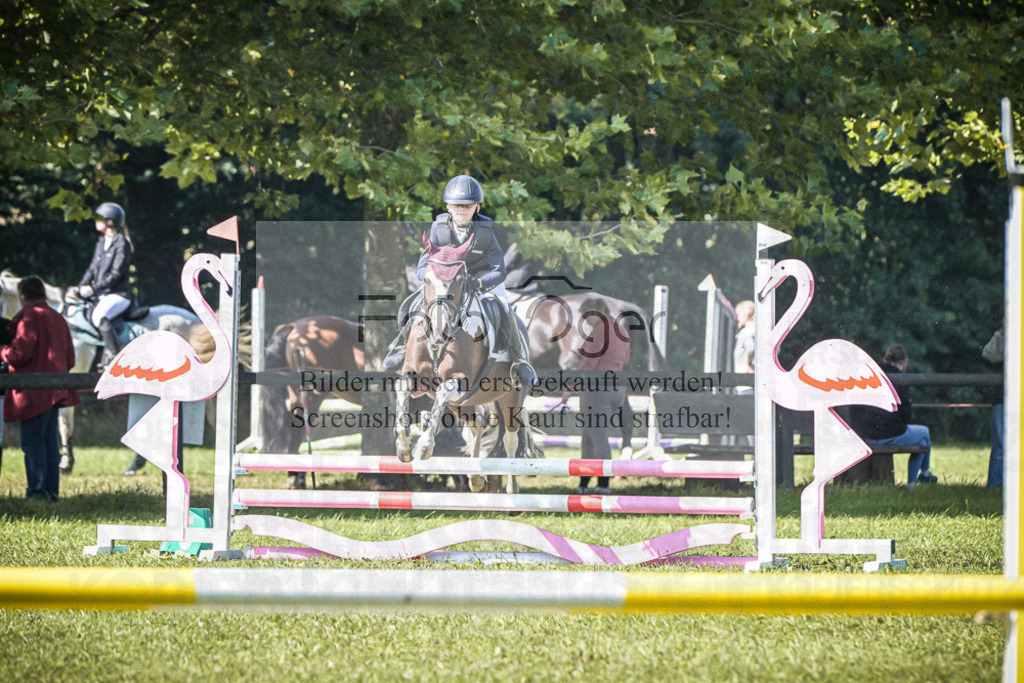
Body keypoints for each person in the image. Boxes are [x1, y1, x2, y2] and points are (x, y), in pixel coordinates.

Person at [382, 174, 537, 388]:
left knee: (504, 307)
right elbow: (422, 266)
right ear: (448, 207)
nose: (462, 210)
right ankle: (400, 347)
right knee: (413, 303)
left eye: (467, 206)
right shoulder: (439, 228)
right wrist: (433, 279)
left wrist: (479, 283)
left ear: (477, 208)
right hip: (446, 282)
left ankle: (519, 361)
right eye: (457, 206)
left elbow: (499, 270)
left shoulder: (485, 230)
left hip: (480, 280)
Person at [0, 276, 81, 501]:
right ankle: (51, 492)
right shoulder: (57, 317)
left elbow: (19, 354)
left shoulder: (29, 316)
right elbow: (70, 359)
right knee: (50, 444)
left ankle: (36, 492)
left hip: (33, 392)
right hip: (56, 391)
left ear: (23, 295)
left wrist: (3, 351)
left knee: (33, 444)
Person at [849, 344, 937, 488]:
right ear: (903, 361)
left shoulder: (871, 374)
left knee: (922, 443)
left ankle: (916, 481)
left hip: (868, 435)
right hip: (887, 436)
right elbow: (906, 417)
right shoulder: (900, 380)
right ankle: (923, 476)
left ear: (886, 358)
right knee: (924, 433)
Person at [568, 296, 631, 494]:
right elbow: (625, 360)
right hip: (617, 389)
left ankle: (603, 484)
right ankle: (583, 484)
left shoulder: (599, 331)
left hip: (597, 390)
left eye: (587, 318)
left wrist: (569, 389)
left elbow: (588, 364)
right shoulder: (622, 330)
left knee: (597, 438)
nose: (587, 323)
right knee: (590, 436)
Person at [66, 202, 134, 367]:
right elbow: (92, 269)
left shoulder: (121, 243)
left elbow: (116, 274)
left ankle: (114, 356)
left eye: (99, 219)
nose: (95, 222)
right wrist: (79, 287)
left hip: (119, 294)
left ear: (110, 221)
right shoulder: (101, 242)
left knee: (98, 316)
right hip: (102, 294)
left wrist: (93, 289)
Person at [983, 324, 1005, 489]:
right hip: (1002, 397)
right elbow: (989, 354)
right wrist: (1003, 333)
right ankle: (996, 485)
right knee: (1000, 445)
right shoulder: (1003, 336)